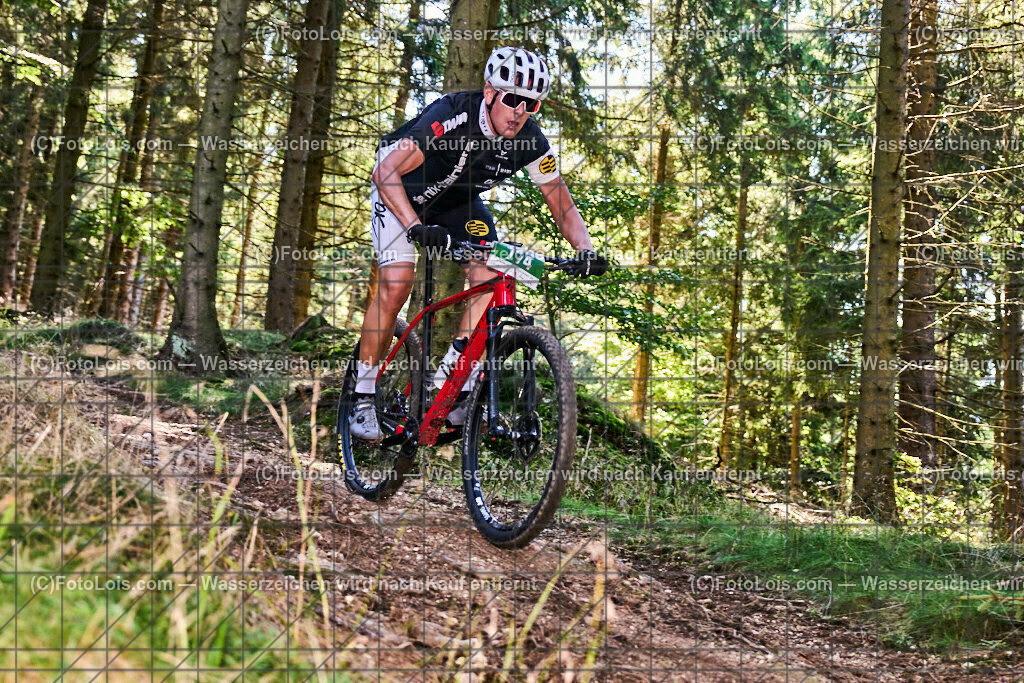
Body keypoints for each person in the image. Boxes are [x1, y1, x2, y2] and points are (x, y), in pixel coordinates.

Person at [351, 47, 607, 440]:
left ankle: (450, 383)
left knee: (490, 277)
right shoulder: (453, 113)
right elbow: (384, 173)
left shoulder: (530, 141)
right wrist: (416, 227)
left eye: (531, 104)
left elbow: (561, 202)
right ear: (490, 92)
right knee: (398, 282)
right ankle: (362, 395)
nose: (520, 111)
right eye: (513, 99)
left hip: (455, 206)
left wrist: (585, 249)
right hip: (398, 194)